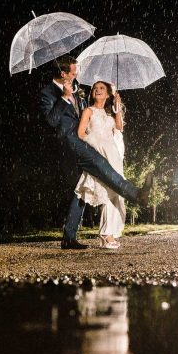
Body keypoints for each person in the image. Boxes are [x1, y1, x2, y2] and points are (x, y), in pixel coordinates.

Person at [39, 55, 153, 250]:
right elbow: (51, 120)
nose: (76, 77)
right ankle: (136, 195)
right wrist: (64, 98)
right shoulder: (48, 93)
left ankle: (68, 237)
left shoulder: (77, 91)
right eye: (73, 73)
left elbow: (88, 114)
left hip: (82, 142)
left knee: (82, 190)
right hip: (71, 144)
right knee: (102, 166)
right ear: (63, 73)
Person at [75, 81, 126, 249]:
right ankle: (106, 234)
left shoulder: (109, 114)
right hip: (99, 154)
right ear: (92, 94)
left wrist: (117, 108)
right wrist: (96, 144)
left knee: (116, 194)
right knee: (107, 192)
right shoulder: (88, 111)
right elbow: (81, 133)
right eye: (95, 88)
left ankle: (108, 233)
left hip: (114, 156)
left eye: (102, 88)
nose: (97, 90)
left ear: (108, 95)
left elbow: (119, 127)